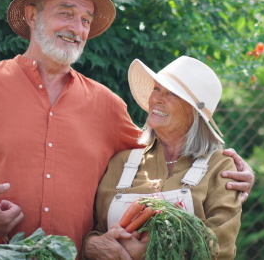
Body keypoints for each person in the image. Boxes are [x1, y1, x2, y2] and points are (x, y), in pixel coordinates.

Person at [0, 0, 254, 252]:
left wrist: (228, 173)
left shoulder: (107, 105)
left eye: (86, 20)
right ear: (32, 16)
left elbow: (163, 155)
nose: (77, 29)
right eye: (66, 13)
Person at [83, 56, 242, 259]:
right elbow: (96, 229)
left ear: (194, 112)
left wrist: (148, 253)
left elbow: (221, 246)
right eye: (157, 89)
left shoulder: (220, 167)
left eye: (172, 94)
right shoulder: (122, 162)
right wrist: (93, 244)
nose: (157, 98)